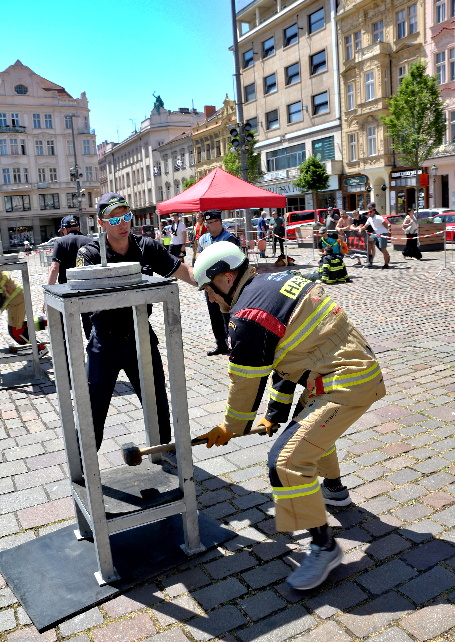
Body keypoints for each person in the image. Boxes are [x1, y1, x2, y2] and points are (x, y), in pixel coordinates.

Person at [193, 242, 386, 590]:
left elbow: (246, 384)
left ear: (224, 278)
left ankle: (323, 545)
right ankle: (335, 491)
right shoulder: (276, 282)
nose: (209, 299)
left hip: (342, 384)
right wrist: (275, 413)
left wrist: (230, 427)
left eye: (207, 290)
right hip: (344, 373)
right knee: (308, 432)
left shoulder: (247, 317)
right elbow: (286, 363)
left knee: (283, 461)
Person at [76, 192, 195, 451]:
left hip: (140, 335)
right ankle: (85, 463)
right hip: (104, 341)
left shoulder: (146, 247)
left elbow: (183, 272)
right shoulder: (90, 253)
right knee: (93, 406)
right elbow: (80, 298)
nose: (123, 223)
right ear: (101, 222)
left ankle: (163, 452)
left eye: (126, 216)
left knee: (156, 401)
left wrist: (215, 284)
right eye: (114, 218)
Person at [196, 210, 240, 356]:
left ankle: (232, 344)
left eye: (210, 223)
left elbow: (234, 261)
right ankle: (220, 344)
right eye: (206, 223)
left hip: (225, 285)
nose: (207, 225)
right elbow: (197, 256)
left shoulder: (229, 238)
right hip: (209, 284)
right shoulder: (203, 239)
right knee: (214, 314)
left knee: (227, 313)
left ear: (219, 222)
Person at [46, 215, 94, 338]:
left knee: (68, 328)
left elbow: (54, 268)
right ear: (77, 227)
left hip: (66, 290)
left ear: (64, 229)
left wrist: (48, 293)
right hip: (87, 289)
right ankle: (94, 351)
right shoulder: (89, 241)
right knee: (91, 326)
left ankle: (69, 353)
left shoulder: (60, 242)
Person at [0, 271, 47, 351]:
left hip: (16, 299)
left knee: (15, 331)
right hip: (14, 297)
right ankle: (47, 322)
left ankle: (39, 348)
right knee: (18, 326)